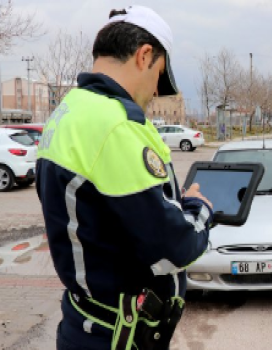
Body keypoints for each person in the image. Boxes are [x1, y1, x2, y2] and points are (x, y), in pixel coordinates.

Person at [35, 6, 214, 349]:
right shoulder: (115, 124)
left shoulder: (68, 111)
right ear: (145, 55)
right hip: (116, 335)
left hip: (85, 321)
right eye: (159, 75)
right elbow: (172, 248)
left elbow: (107, 218)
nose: (155, 92)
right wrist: (199, 208)